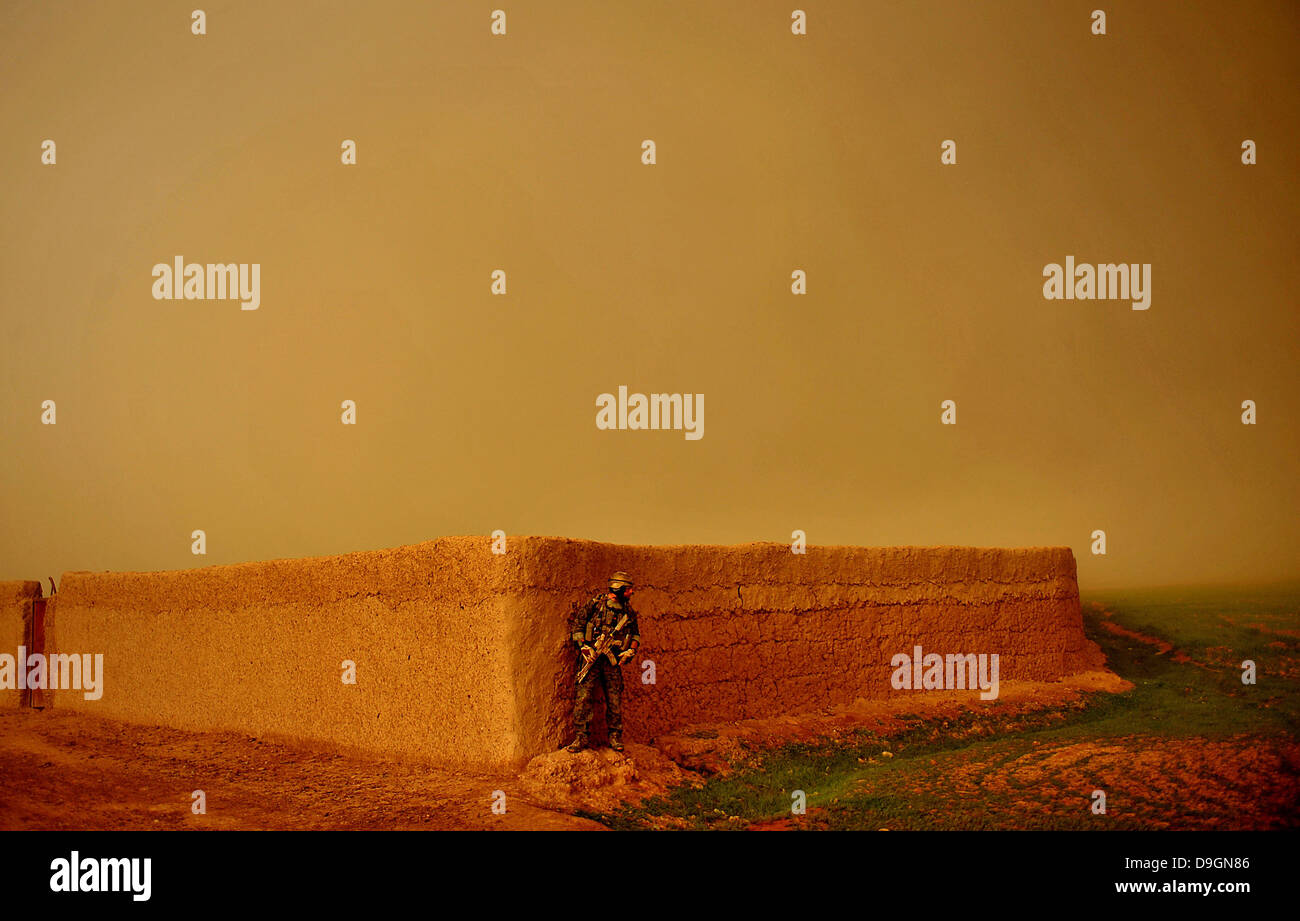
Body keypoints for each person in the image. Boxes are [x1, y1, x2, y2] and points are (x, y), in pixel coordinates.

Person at [565, 571, 640, 753]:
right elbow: (578, 626)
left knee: (614, 699)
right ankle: (581, 737)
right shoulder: (595, 605)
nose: (631, 593)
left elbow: (636, 634)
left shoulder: (627, 611)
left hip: (611, 661)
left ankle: (615, 736)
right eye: (628, 589)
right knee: (583, 697)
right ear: (619, 589)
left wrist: (631, 650)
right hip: (591, 658)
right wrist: (584, 646)